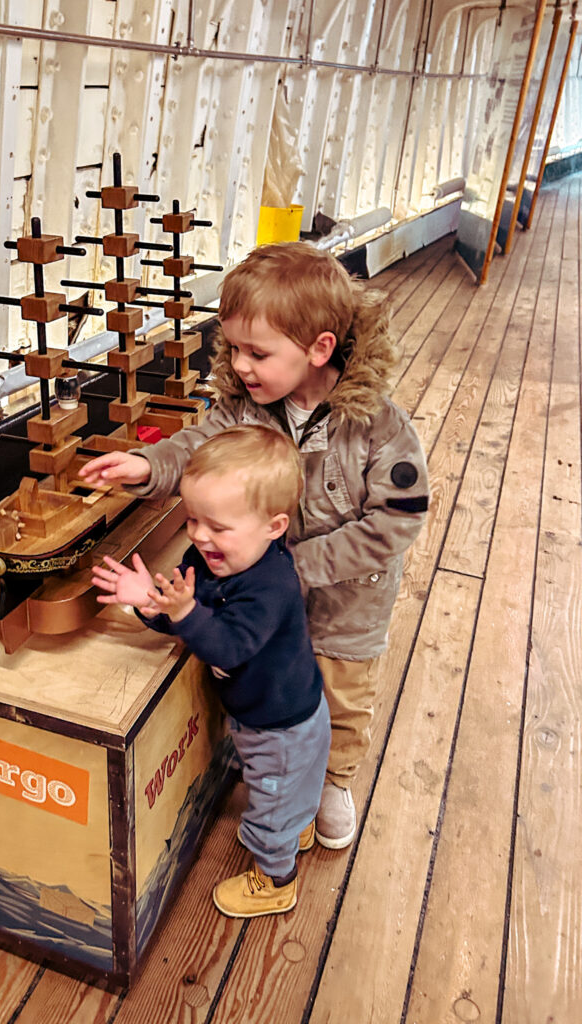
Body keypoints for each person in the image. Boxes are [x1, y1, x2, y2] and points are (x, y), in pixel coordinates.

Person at [81, 241, 429, 850]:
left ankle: (334, 779)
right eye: (234, 347)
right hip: (259, 590)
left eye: (258, 352)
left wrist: (299, 566)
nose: (241, 365)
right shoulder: (246, 407)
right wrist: (147, 467)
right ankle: (270, 756)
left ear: (319, 348)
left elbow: (395, 522)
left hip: (346, 607)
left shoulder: (379, 425)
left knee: (340, 692)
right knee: (274, 676)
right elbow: (198, 446)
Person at [92, 426, 330, 918]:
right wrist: (150, 603)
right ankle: (296, 824)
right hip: (271, 712)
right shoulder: (207, 558)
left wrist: (180, 613)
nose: (200, 536)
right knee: (287, 790)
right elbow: (188, 609)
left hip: (281, 725)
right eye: (193, 518)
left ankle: (276, 876)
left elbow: (226, 645)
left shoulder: (272, 585)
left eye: (218, 527)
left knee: (270, 797)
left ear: (274, 526)